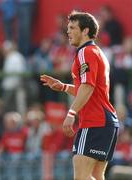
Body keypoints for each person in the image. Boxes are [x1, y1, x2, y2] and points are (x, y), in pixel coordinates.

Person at [40, 10, 119, 180]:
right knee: (96, 176)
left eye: (72, 27)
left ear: (85, 31)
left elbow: (88, 87)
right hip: (106, 121)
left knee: (82, 176)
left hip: (94, 120)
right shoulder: (97, 52)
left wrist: (71, 113)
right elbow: (89, 88)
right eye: (68, 27)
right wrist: (63, 87)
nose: (68, 31)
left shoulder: (85, 52)